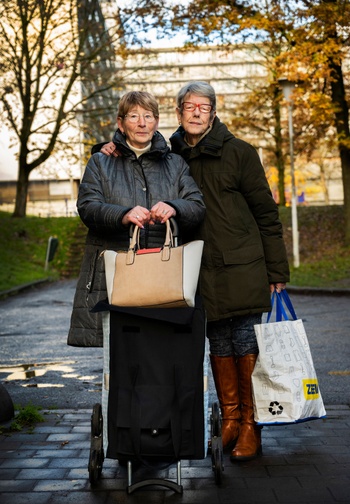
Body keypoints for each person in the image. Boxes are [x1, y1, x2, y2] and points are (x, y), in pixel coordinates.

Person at [97, 81, 290, 462]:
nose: (197, 112)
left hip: (242, 263)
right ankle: (231, 419)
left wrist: (276, 269)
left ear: (214, 112)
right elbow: (135, 150)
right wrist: (104, 147)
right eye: (189, 106)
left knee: (245, 342)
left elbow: (267, 215)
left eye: (204, 106)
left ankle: (251, 425)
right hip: (197, 267)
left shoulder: (240, 153)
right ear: (180, 112)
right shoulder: (170, 152)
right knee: (217, 342)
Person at [67, 91, 206, 348]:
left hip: (163, 276)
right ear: (121, 123)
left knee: (159, 356)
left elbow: (197, 206)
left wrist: (174, 207)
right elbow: (87, 207)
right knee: (118, 359)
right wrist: (123, 214)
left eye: (148, 116)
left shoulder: (175, 164)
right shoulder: (100, 162)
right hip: (115, 277)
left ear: (156, 121)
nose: (142, 123)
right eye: (134, 116)